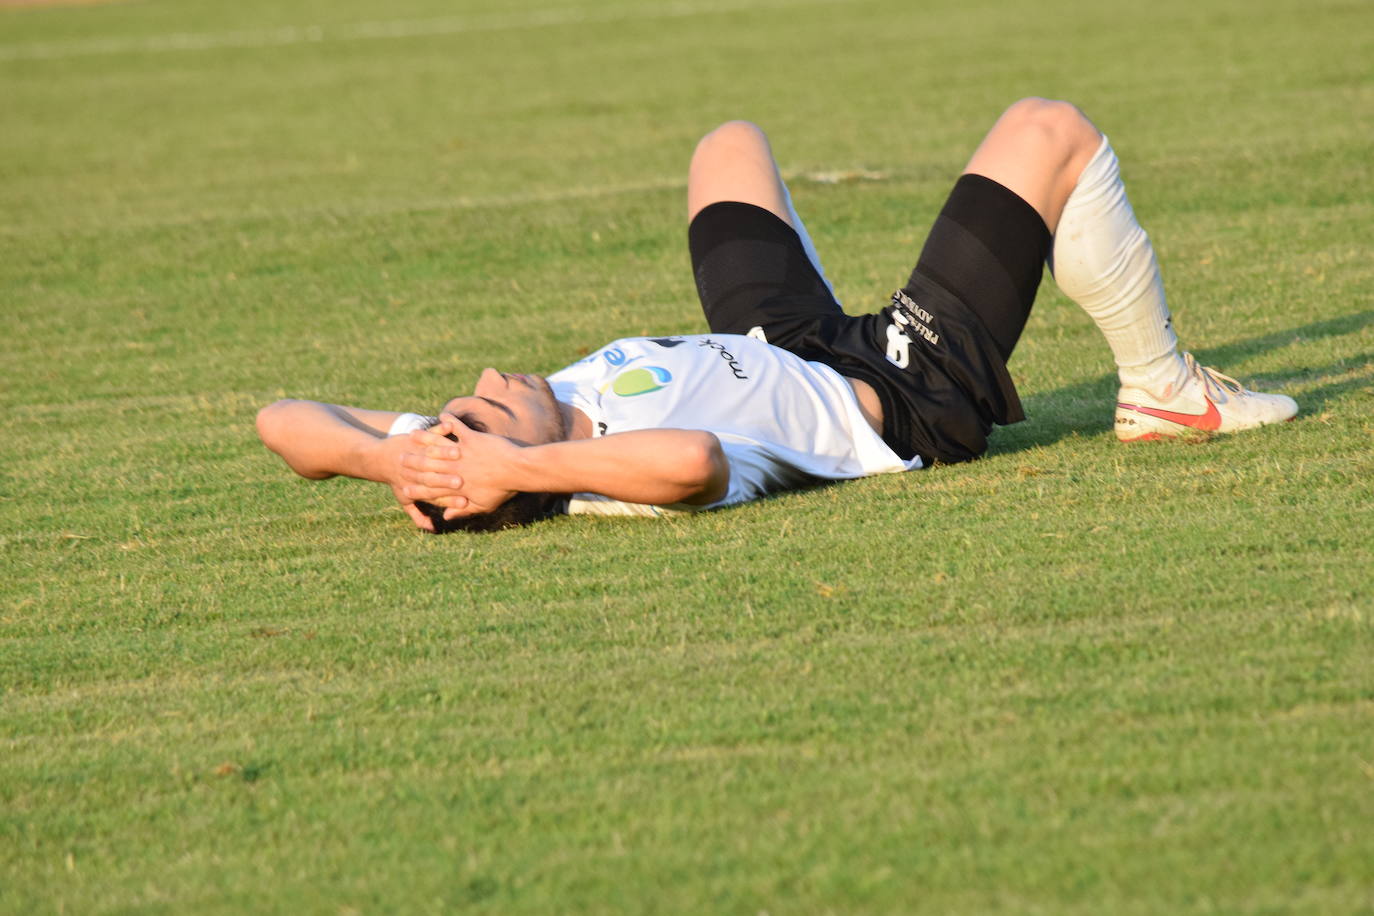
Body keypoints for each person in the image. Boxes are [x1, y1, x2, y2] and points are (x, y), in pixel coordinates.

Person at [256, 98, 1298, 532]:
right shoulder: (608, 471)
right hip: (895, 391)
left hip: (782, 342)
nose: (488, 381)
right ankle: (1167, 392)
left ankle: (875, 302)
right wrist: (519, 474)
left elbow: (283, 420)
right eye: (484, 411)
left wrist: (393, 459)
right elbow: (698, 464)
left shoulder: (469, 450)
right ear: (506, 468)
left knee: (727, 146)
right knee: (1051, 131)